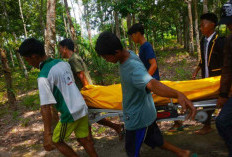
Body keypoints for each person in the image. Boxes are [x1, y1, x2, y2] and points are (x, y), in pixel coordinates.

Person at [95, 32, 196, 157]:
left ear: (116, 51)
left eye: (107, 57)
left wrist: (178, 94)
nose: (106, 60)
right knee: (155, 140)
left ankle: (182, 152)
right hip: (146, 113)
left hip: (137, 119)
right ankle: (182, 153)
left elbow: (152, 84)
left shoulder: (132, 67)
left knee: (132, 152)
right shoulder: (129, 54)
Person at [18, 38, 98, 157]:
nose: (28, 63)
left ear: (34, 56)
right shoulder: (62, 63)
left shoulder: (43, 76)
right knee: (84, 140)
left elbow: (45, 107)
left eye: (27, 59)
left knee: (56, 141)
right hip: (81, 106)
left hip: (70, 113)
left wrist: (47, 134)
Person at [58, 39, 123, 140]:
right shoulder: (75, 57)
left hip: (86, 92)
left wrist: (87, 93)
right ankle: (114, 128)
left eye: (60, 48)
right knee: (90, 116)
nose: (59, 51)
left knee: (87, 116)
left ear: (65, 48)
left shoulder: (73, 60)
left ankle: (89, 140)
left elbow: (81, 76)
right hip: (86, 91)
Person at [128, 23, 183, 132]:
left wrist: (145, 79)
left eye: (132, 36)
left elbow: (153, 65)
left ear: (138, 34)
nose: (132, 38)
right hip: (150, 80)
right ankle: (176, 123)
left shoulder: (146, 46)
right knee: (160, 104)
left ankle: (175, 123)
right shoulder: (143, 47)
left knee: (159, 103)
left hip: (152, 81)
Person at [192, 13, 225, 135]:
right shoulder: (203, 41)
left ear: (212, 25)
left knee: (219, 101)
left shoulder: (220, 41)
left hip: (217, 78)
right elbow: (204, 59)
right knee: (206, 101)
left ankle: (210, 125)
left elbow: (225, 61)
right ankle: (207, 125)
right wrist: (196, 70)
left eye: (203, 25)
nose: (201, 27)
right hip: (206, 77)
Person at [216, 1, 232, 156]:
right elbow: (227, 69)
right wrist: (223, 93)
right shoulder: (229, 40)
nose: (229, 27)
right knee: (222, 122)